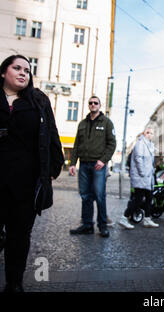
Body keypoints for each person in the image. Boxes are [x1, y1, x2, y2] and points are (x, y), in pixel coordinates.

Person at [0, 54, 64, 292]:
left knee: (19, 239)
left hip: (24, 185)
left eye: (27, 70)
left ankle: (14, 285)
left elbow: (51, 134)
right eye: (17, 68)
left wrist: (52, 169)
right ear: (3, 71)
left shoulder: (38, 100)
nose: (23, 73)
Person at [69, 96, 116, 238]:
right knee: (85, 196)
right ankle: (87, 225)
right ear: (88, 105)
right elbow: (76, 145)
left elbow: (112, 144)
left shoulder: (107, 123)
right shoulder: (82, 124)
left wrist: (103, 160)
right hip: (83, 164)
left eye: (96, 103)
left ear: (100, 105)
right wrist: (72, 163)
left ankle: (102, 226)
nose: (93, 104)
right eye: (91, 103)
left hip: (98, 165)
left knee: (99, 196)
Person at [118, 127, 159, 229]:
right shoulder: (140, 143)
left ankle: (147, 219)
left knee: (149, 197)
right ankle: (124, 217)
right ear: (143, 133)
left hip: (147, 177)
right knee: (138, 199)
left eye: (151, 133)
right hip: (141, 176)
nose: (149, 134)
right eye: (147, 132)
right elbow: (138, 158)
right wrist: (143, 173)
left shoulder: (150, 145)